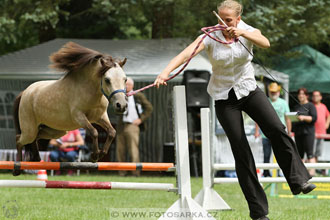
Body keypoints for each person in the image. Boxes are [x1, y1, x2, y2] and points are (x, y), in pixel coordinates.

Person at [154, 1, 315, 219]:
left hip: (249, 90)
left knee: (277, 129)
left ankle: (298, 181)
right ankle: (259, 213)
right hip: (224, 98)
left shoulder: (247, 31)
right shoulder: (210, 37)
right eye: (220, 18)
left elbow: (265, 42)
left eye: (228, 20)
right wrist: (164, 73)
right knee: (241, 151)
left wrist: (241, 32)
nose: (222, 23)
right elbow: (185, 54)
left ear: (238, 18)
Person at [116, 77, 153, 177]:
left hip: (132, 125)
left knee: (133, 149)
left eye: (128, 84)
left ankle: (135, 172)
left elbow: (149, 107)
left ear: (132, 85)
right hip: (121, 125)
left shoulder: (138, 95)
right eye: (125, 84)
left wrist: (141, 119)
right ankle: (122, 172)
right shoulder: (120, 95)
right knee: (120, 150)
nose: (126, 86)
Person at [254, 82, 291, 177]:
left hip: (279, 133)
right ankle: (266, 172)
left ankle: (279, 172)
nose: (273, 93)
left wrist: (289, 132)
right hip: (265, 134)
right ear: (269, 92)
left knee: (280, 154)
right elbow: (258, 117)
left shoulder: (283, 103)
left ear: (279, 92)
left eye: (275, 92)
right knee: (266, 155)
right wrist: (257, 131)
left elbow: (288, 118)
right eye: (272, 92)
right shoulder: (265, 101)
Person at [292, 88, 317, 176]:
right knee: (299, 154)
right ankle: (301, 174)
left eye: (303, 94)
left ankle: (312, 174)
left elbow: (314, 118)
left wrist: (303, 118)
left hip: (308, 132)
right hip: (298, 132)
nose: (301, 95)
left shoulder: (311, 106)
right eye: (299, 94)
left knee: (310, 153)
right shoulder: (296, 107)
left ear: (306, 95)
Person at [312, 90, 330, 166]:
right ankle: (311, 169)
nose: (315, 97)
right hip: (312, 133)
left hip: (322, 133)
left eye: (317, 95)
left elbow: (328, 115)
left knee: (317, 153)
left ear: (320, 97)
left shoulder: (323, 106)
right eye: (314, 96)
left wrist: (327, 124)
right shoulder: (311, 106)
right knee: (311, 153)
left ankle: (314, 169)